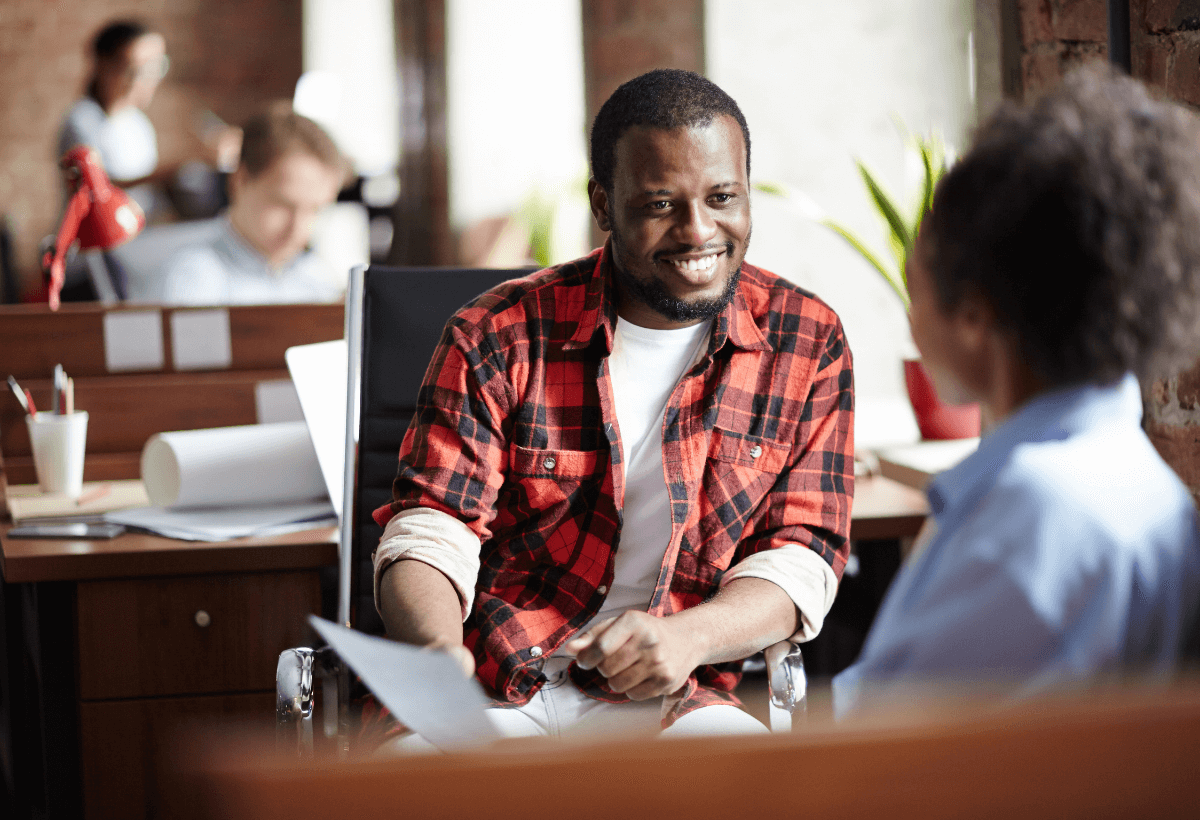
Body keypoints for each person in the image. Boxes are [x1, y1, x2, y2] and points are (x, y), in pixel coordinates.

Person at [370, 68, 854, 747]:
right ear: (605, 204)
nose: (698, 232)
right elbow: (432, 526)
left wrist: (687, 638)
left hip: (675, 695)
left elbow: (801, 557)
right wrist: (433, 648)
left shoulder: (806, 340)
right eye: (661, 205)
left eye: (723, 197)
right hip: (491, 683)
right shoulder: (496, 333)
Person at [833, 65, 1200, 717]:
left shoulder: (1033, 521)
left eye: (915, 283)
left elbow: (883, 759)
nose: (910, 318)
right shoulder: (1128, 478)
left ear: (973, 315)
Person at [153, 104, 347, 305]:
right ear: (240, 181)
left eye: (315, 210)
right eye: (282, 204)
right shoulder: (193, 282)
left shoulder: (319, 281)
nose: (297, 229)